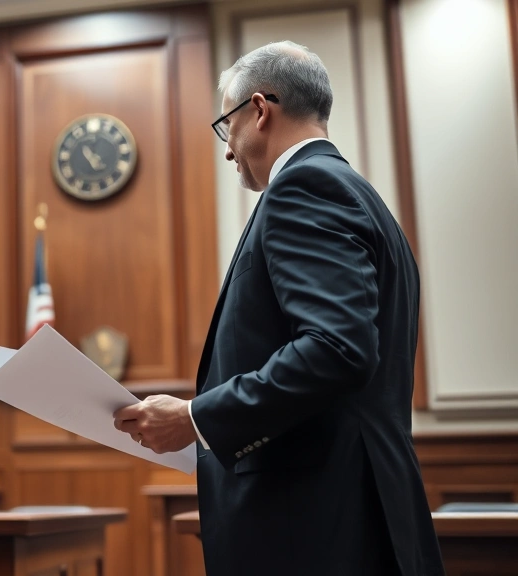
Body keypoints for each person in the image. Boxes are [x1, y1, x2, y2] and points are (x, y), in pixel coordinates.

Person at [112, 41, 444, 576]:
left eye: (227, 126)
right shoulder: (361, 197)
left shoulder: (304, 188)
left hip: (313, 528)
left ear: (260, 110)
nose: (227, 150)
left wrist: (196, 417)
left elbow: (336, 350)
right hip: (354, 511)